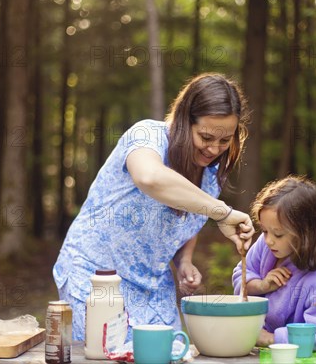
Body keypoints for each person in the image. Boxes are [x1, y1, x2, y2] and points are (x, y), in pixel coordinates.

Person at [54, 73, 255, 341]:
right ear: (184, 121)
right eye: (205, 137)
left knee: (171, 355)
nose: (214, 149)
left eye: (224, 140)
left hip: (152, 285)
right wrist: (222, 212)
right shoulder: (147, 136)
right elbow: (150, 177)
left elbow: (185, 221)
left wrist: (183, 261)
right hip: (97, 277)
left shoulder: (210, 173)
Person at [232, 175, 316, 349]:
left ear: (305, 233)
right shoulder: (266, 245)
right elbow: (241, 274)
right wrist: (261, 286)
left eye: (278, 234)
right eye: (264, 231)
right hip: (255, 345)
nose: (268, 240)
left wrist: (271, 339)